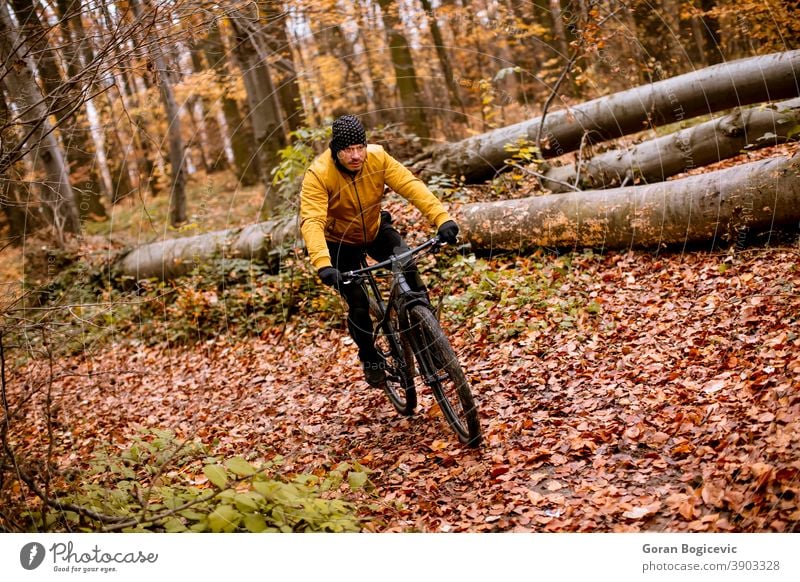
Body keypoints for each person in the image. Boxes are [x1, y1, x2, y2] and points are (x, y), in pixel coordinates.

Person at [299, 114, 459, 387]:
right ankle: (370, 356)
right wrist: (323, 263)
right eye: (347, 150)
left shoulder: (378, 158)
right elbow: (312, 220)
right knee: (358, 304)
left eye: (360, 147)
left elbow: (411, 186)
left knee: (407, 265)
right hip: (339, 243)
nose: (356, 155)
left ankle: (428, 331)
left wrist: (442, 218)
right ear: (335, 151)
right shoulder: (319, 174)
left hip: (374, 229)